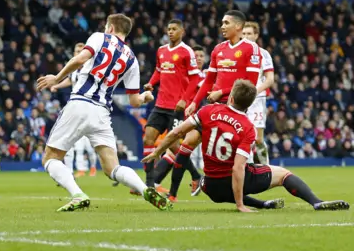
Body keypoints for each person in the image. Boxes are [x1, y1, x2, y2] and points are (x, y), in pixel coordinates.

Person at [143, 80, 349, 212]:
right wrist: (240, 204)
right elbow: (238, 168)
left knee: (214, 181)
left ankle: (264, 205)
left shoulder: (208, 111)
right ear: (249, 105)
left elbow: (178, 132)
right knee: (284, 175)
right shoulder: (247, 127)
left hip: (210, 187)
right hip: (229, 181)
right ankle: (316, 202)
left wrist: (158, 151)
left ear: (230, 97)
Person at [36, 14, 171, 212]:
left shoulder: (100, 37)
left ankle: (77, 194)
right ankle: (144, 189)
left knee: (50, 158)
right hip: (102, 113)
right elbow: (134, 101)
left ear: (110, 28)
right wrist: (145, 97)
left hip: (80, 103)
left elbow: (81, 58)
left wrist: (56, 78)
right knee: (112, 168)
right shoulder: (132, 59)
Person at [165, 10, 262, 202]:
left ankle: (249, 193)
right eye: (221, 23)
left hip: (235, 110)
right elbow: (209, 81)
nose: (222, 26)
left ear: (238, 27)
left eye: (226, 23)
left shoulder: (251, 49)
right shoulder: (218, 49)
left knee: (239, 159)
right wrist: (194, 102)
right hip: (214, 109)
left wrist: (223, 92)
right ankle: (173, 194)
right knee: (186, 144)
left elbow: (250, 83)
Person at [140, 20, 201, 193]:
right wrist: (151, 83)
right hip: (160, 104)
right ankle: (150, 184)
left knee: (174, 147)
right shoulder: (161, 51)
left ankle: (196, 175)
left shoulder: (187, 51)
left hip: (176, 107)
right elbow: (159, 70)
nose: (170, 32)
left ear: (182, 31)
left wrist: (184, 99)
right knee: (148, 139)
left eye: (174, 29)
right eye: (168, 29)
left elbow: (195, 79)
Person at [151, 45, 207, 196]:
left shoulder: (205, 77)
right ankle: (156, 184)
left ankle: (156, 184)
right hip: (180, 115)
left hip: (195, 120)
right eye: (196, 56)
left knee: (175, 150)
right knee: (173, 151)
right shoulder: (184, 75)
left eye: (201, 56)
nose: (198, 58)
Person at [51, 42, 98, 178]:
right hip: (76, 107)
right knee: (74, 143)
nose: (78, 54)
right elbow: (69, 81)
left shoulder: (91, 68)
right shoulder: (75, 70)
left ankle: (93, 167)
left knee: (89, 145)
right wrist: (57, 85)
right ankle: (75, 170)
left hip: (90, 108)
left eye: (80, 51)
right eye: (76, 51)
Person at [242, 21, 274, 165]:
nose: (246, 37)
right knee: (243, 137)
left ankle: (265, 167)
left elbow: (269, 79)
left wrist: (253, 91)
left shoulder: (264, 54)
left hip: (257, 100)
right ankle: (247, 170)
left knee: (258, 139)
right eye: (243, 33)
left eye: (249, 33)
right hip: (239, 100)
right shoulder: (237, 52)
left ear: (256, 35)